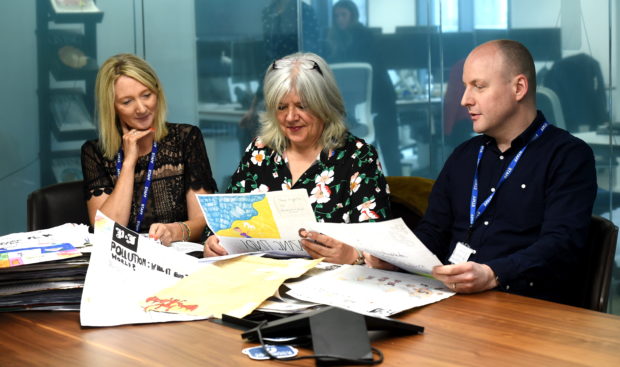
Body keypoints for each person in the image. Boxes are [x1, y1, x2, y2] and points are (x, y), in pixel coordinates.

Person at [367, 40, 597, 306]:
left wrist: (493, 274)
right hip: (449, 300)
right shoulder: (464, 155)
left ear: (518, 88)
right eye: (465, 87)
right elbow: (434, 231)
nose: (464, 100)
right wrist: (397, 259)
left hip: (523, 306)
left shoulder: (567, 156)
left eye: (478, 86)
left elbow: (561, 245)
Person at [203, 52, 391, 265]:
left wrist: (352, 256)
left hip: (331, 287)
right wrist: (213, 241)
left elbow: (384, 253)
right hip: (262, 279)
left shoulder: (358, 157)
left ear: (324, 105)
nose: (291, 117)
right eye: (282, 107)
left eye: (302, 106)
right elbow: (224, 224)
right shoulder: (260, 151)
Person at [81, 53, 218, 246]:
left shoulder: (186, 138)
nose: (142, 108)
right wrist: (129, 163)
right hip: (122, 263)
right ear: (112, 107)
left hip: (177, 257)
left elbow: (203, 222)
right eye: (127, 102)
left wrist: (174, 231)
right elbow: (105, 231)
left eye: (146, 95)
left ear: (157, 93)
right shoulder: (95, 152)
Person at [326, 0, 401, 176]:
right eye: (336, 16)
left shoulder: (365, 38)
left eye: (343, 15)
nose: (339, 20)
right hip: (353, 105)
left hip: (380, 100)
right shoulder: (332, 41)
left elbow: (373, 70)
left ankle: (399, 188)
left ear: (353, 15)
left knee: (389, 148)